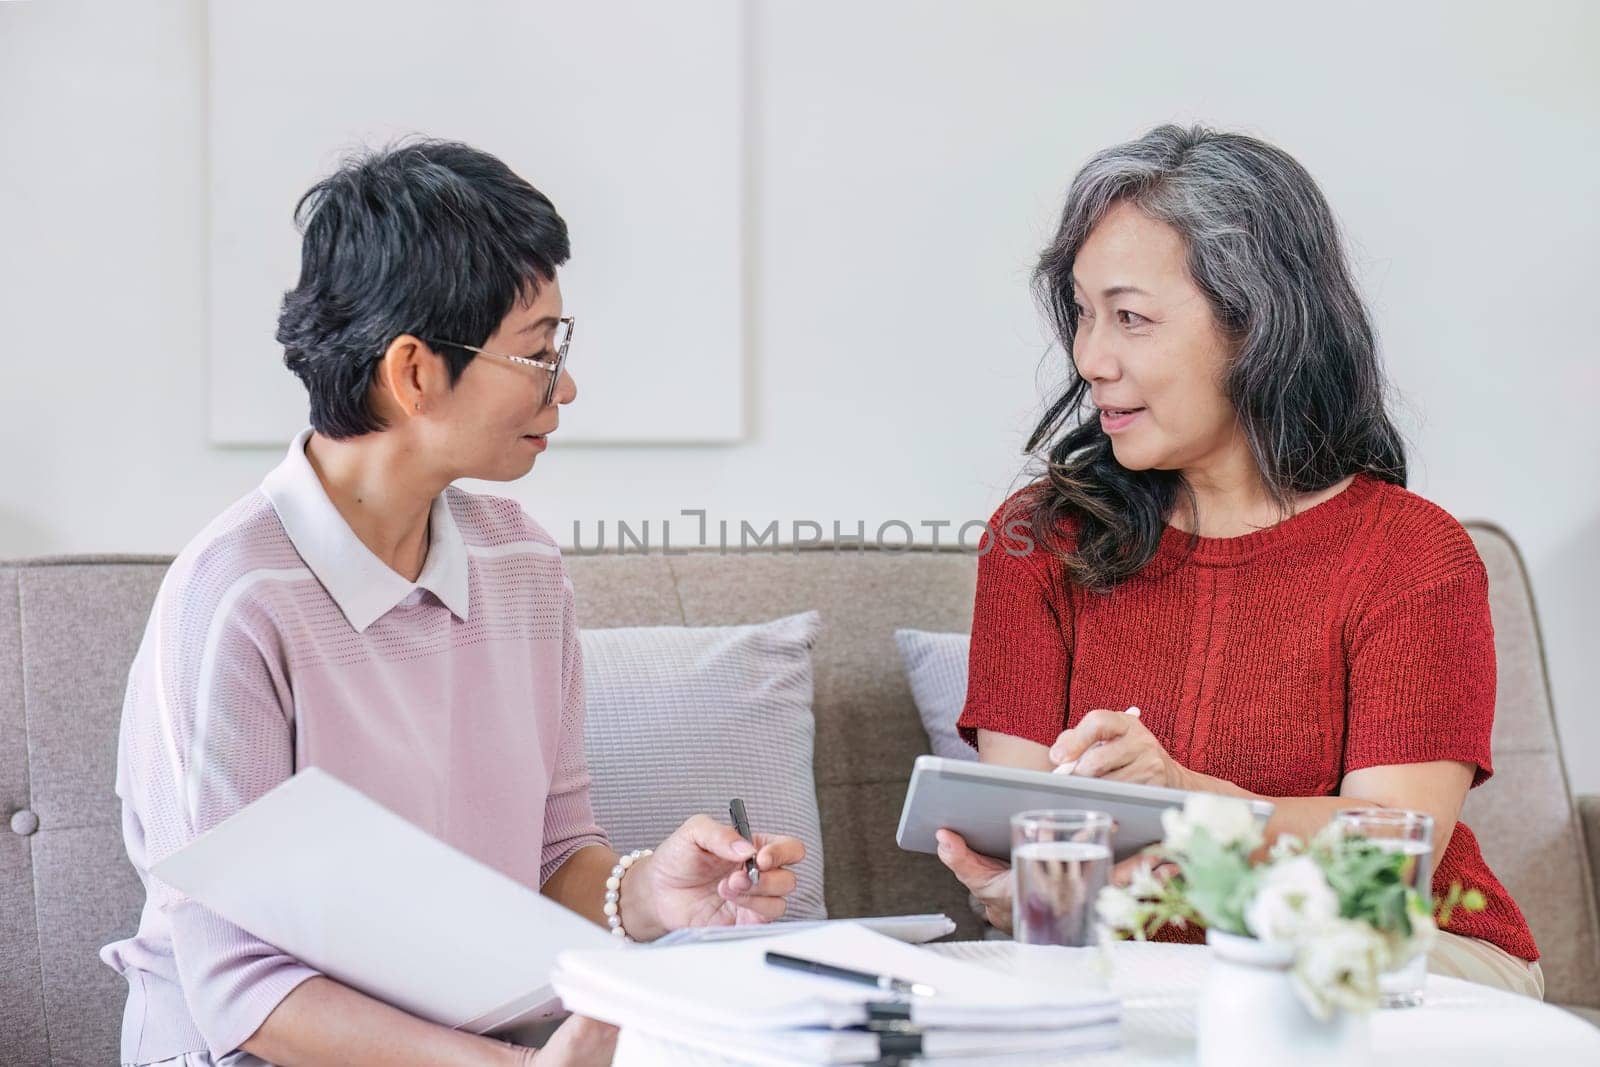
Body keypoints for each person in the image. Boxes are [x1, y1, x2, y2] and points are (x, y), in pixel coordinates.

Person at [101, 140, 805, 1067]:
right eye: (537, 352)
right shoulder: (232, 603)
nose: (568, 383)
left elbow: (553, 857)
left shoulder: (521, 561)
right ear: (415, 371)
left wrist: (649, 891)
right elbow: (241, 991)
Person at [935, 124, 1542, 999]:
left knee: (1254, 993)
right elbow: (1031, 841)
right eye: (1083, 312)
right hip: (1148, 975)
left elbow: (1388, 868)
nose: (1090, 357)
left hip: (1398, 959)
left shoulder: (1412, 554)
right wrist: (1022, 890)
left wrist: (1186, 804)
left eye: (1131, 317)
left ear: (1257, 326)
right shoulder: (1038, 541)